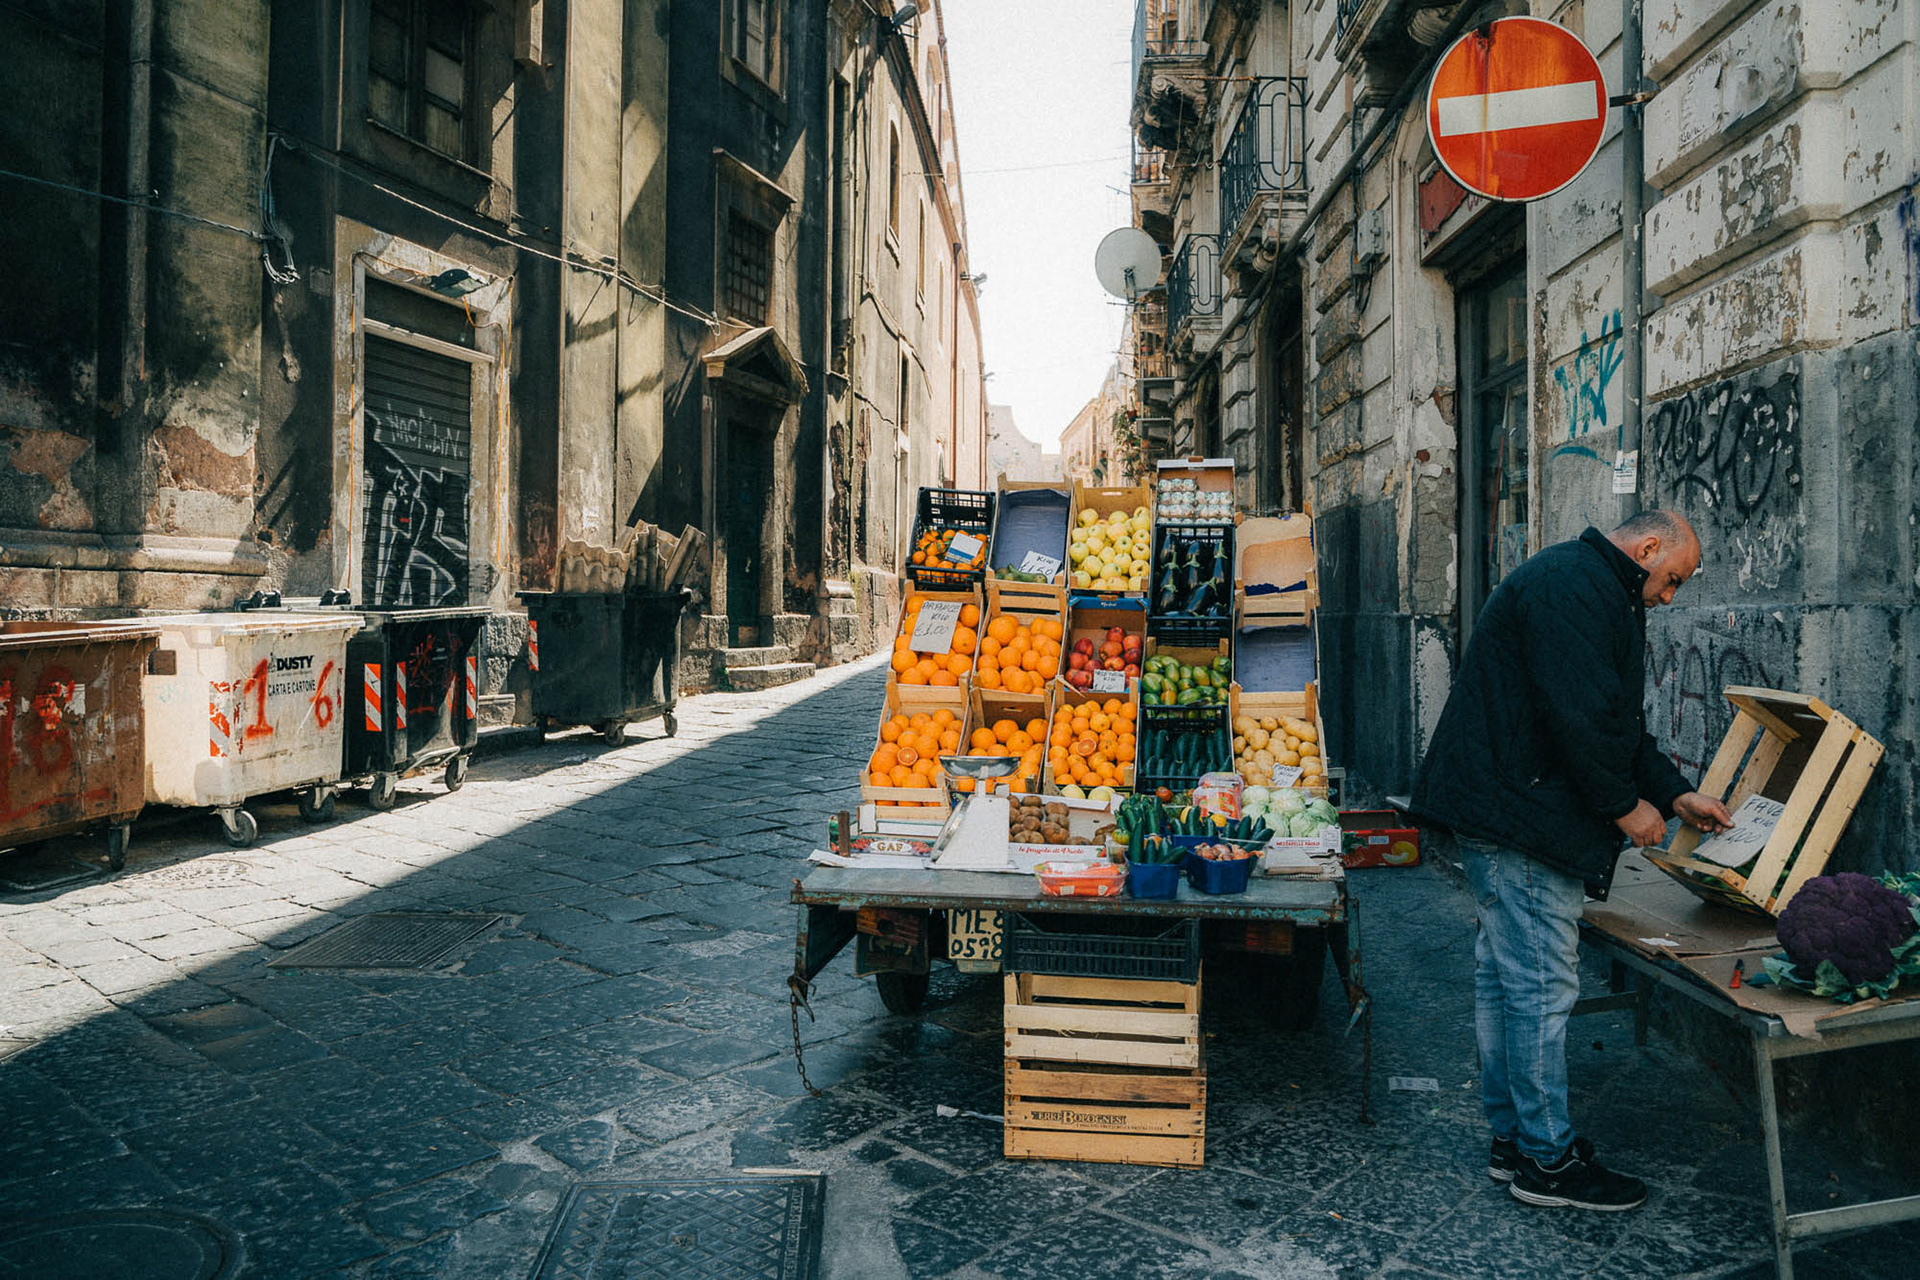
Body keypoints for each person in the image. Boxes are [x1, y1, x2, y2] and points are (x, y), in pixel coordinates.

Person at [1410, 510, 1734, 1212]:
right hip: (1521, 818)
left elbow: (1617, 724)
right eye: (1673, 579)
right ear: (1648, 549)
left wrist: (1675, 795)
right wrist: (1626, 809)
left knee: (1507, 983)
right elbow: (1579, 719)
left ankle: (1518, 1141)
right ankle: (1548, 1163)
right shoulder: (1574, 586)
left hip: (1510, 810)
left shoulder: (1596, 585)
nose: (1670, 597)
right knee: (1539, 989)